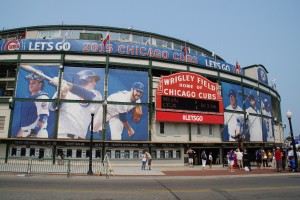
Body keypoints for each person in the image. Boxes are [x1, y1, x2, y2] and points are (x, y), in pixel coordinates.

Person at [50, 69, 103, 139]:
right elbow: (53, 107)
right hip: (62, 136)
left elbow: (87, 95)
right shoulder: (63, 91)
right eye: (92, 81)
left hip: (80, 139)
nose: (94, 83)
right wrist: (62, 94)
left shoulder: (96, 94)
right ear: (83, 80)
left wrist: (70, 86)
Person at [16, 71, 49, 138]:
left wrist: (34, 133)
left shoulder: (42, 97)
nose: (31, 85)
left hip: (38, 133)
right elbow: (25, 120)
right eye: (30, 83)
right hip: (25, 133)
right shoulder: (27, 99)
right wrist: (19, 135)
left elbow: (43, 116)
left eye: (33, 83)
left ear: (40, 84)